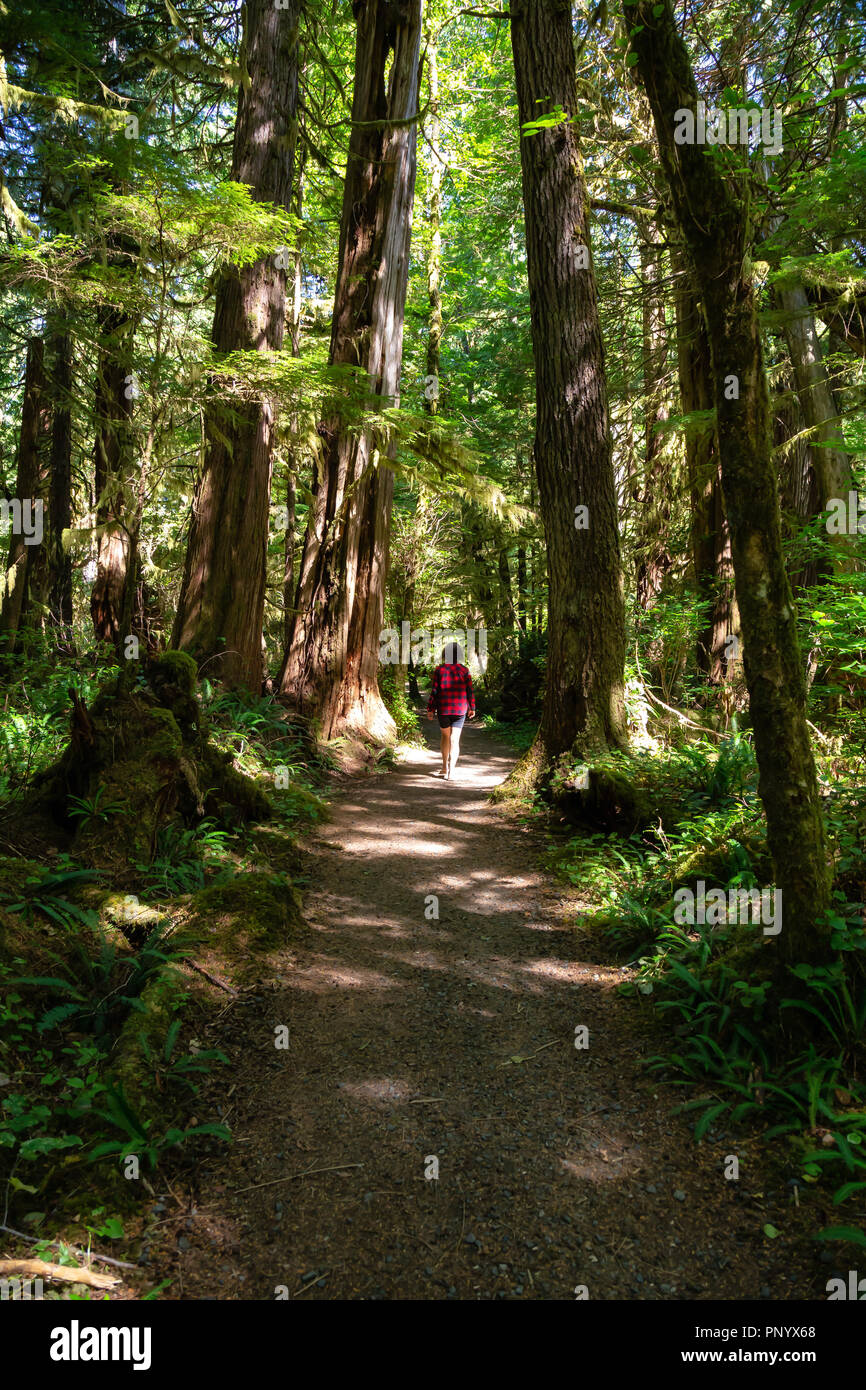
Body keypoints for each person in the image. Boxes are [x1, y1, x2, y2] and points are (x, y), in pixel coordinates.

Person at [426, 642, 475, 779]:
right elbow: (469, 691)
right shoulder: (464, 670)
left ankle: (444, 767)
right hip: (460, 710)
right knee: (455, 739)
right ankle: (451, 772)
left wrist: (431, 709)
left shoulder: (439, 670)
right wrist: (472, 707)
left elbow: (435, 690)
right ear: (459, 655)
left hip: (444, 709)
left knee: (445, 737)